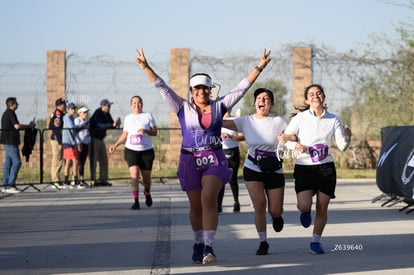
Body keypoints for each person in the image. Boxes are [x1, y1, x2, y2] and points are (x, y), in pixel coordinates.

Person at [135, 47, 271, 264]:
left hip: (215, 158)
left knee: (208, 198)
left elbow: (242, 88)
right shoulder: (182, 106)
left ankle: (209, 247)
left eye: (205, 88)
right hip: (189, 160)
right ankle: (198, 242)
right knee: (196, 205)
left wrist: (259, 67)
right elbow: (162, 87)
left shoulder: (220, 105)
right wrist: (145, 66)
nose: (201, 92)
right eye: (197, 89)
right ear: (191, 91)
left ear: (210, 90)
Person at [279, 84, 352, 254]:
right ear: (306, 99)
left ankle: (315, 241)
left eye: (318, 93)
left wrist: (348, 136)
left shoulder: (333, 119)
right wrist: (295, 145)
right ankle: (305, 212)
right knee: (304, 205)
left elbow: (342, 146)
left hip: (326, 167)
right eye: (311, 94)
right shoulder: (299, 118)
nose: (315, 96)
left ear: (323, 97)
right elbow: (285, 139)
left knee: (322, 207)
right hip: (304, 167)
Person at [222, 88, 287, 256]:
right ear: (254, 103)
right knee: (259, 205)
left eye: (266, 98)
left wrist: (288, 140)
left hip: (274, 168)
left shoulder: (279, 121)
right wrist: (215, 113)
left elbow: (292, 137)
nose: (262, 100)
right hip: (253, 167)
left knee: (275, 210)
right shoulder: (246, 121)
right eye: (259, 98)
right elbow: (222, 122)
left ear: (271, 104)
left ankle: (277, 216)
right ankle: (263, 241)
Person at [109, 95, 157, 210]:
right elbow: (125, 134)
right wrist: (115, 145)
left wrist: (145, 131)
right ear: (131, 105)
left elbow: (155, 132)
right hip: (131, 150)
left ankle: (147, 191)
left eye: (139, 102)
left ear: (142, 104)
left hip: (146, 151)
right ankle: (136, 201)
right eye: (134, 103)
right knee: (134, 175)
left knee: (146, 178)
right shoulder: (128, 118)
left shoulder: (148, 116)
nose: (137, 105)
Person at [1, 97, 36, 193]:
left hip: (7, 142)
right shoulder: (10, 113)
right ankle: (10, 185)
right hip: (11, 142)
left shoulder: (6, 113)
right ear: (11, 105)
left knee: (8, 164)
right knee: (17, 162)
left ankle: (5, 185)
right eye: (16, 103)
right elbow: (17, 126)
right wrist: (29, 126)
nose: (17, 105)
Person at [89, 98, 121, 186]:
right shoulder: (98, 113)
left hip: (101, 139)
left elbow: (111, 124)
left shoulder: (107, 114)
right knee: (94, 160)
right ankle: (93, 180)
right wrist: (111, 124)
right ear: (103, 106)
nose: (109, 107)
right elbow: (99, 125)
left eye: (109, 105)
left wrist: (116, 124)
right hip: (94, 138)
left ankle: (103, 179)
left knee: (104, 160)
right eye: (108, 105)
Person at [218, 110, 244, 213]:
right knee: (221, 180)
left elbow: (242, 136)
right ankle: (218, 205)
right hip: (220, 151)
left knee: (233, 179)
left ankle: (236, 202)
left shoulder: (235, 120)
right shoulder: (217, 120)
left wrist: (230, 136)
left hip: (233, 151)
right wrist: (219, 135)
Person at [62, 102, 86, 189]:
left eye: (74, 108)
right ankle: (74, 181)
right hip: (68, 142)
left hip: (71, 142)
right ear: (68, 109)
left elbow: (74, 128)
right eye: (71, 109)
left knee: (68, 161)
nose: (73, 110)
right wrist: (81, 125)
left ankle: (66, 181)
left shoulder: (71, 117)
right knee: (75, 160)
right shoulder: (67, 117)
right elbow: (72, 127)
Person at [49, 98, 66, 188]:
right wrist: (60, 143)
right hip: (56, 140)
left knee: (60, 159)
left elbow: (50, 125)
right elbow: (56, 128)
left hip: (58, 139)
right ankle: (55, 180)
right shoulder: (58, 114)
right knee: (57, 159)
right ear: (60, 105)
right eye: (64, 104)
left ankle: (57, 179)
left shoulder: (58, 114)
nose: (65, 106)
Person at [75, 106, 91, 186]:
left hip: (86, 143)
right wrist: (78, 143)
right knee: (78, 161)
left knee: (83, 162)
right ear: (79, 113)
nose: (86, 114)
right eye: (84, 112)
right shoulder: (77, 120)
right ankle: (75, 178)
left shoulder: (87, 121)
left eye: (86, 112)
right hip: (79, 143)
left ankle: (82, 178)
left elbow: (88, 131)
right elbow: (75, 129)